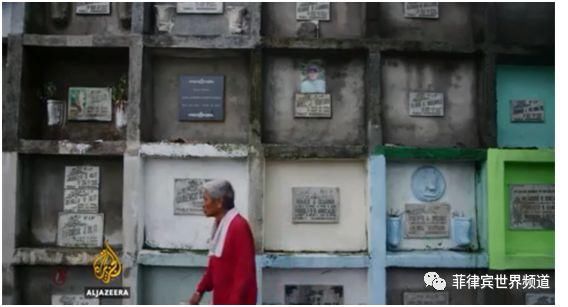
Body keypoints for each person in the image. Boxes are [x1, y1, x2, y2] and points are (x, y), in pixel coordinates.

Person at [189, 180, 257, 305]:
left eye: (206, 200)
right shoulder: (220, 225)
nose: (203, 205)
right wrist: (199, 291)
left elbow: (244, 273)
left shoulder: (238, 226)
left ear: (219, 202)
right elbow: (214, 265)